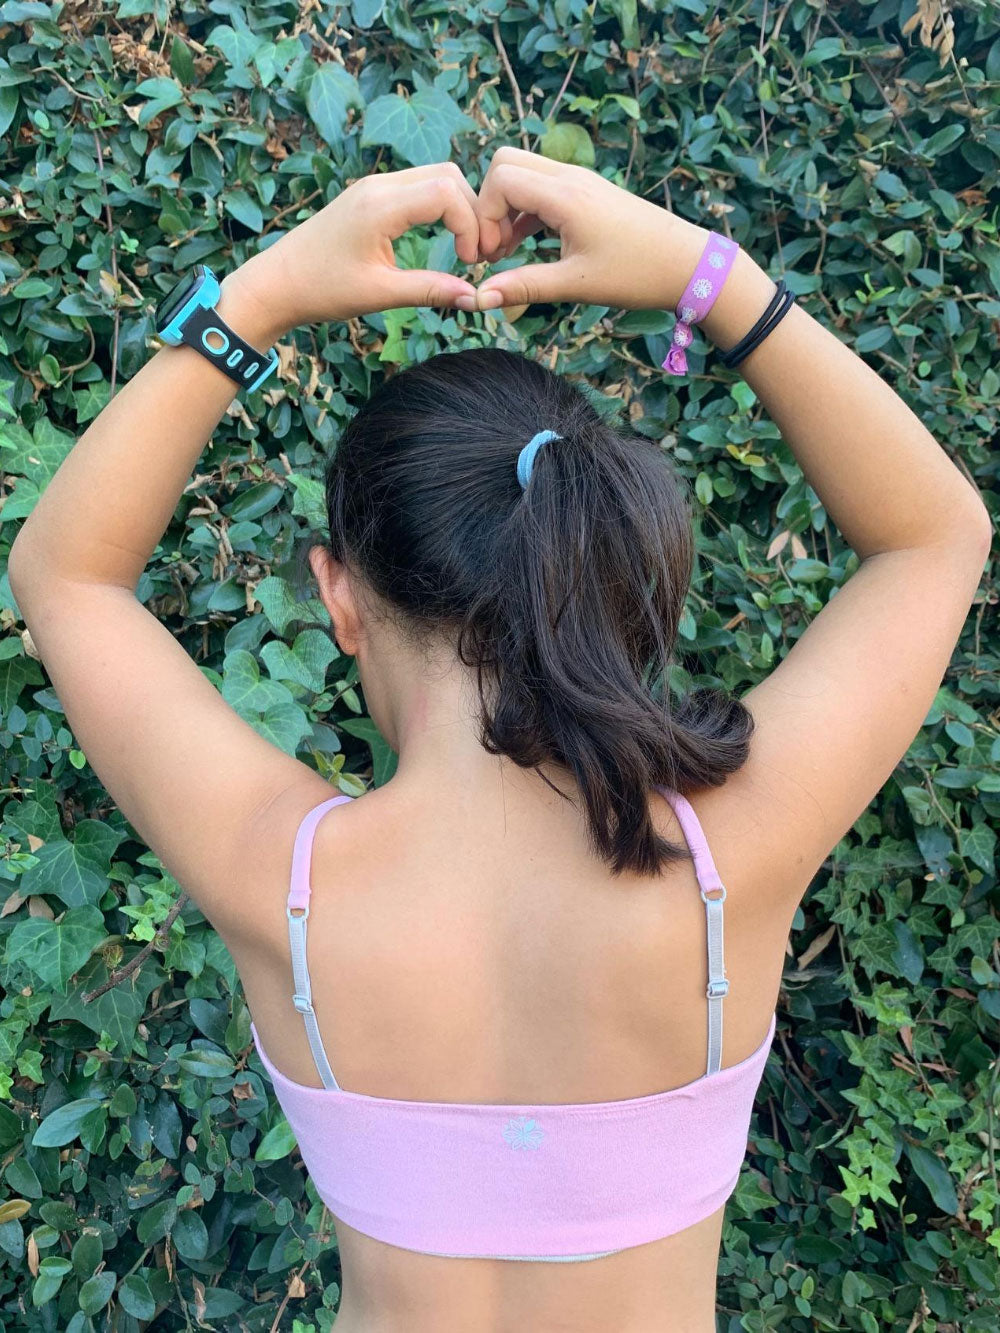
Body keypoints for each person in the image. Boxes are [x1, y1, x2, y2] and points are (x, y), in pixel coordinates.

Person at [8, 147, 991, 1333]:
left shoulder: (288, 883)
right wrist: (702, 272)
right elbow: (934, 534)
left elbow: (66, 576)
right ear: (598, 561)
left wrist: (258, 298)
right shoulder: (729, 855)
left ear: (337, 594)